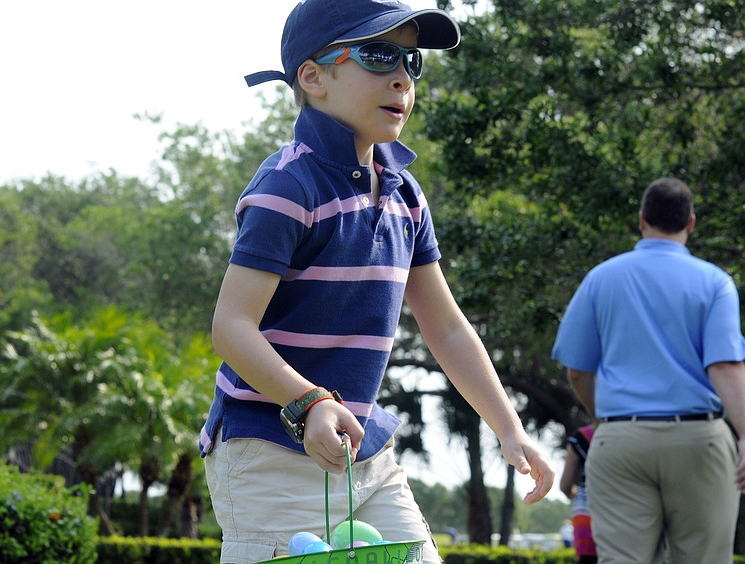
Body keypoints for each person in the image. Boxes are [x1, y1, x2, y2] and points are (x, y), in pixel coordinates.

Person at [198, 1, 555, 562]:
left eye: (411, 61)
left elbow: (448, 330)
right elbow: (231, 328)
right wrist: (309, 402)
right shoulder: (286, 186)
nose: (401, 77)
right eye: (378, 54)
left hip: (365, 457)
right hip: (268, 449)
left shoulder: (405, 194)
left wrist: (508, 427)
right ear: (312, 78)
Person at [551, 177, 745, 564]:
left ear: (642, 220)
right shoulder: (715, 283)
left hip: (620, 440)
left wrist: (603, 420)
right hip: (699, 441)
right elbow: (724, 366)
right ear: (690, 223)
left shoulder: (601, 278)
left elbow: (577, 371)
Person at [559, 424, 597, 563]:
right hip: (626, 511)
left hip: (587, 515)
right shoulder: (629, 430)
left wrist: (573, 494)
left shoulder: (581, 437)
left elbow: (565, 485)